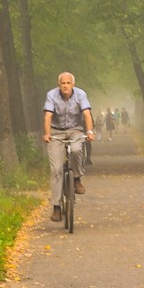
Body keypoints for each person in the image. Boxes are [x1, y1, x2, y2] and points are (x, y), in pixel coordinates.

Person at [43, 72, 95, 222]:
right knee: (56, 170)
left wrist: (89, 131)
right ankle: (57, 208)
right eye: (63, 83)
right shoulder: (51, 95)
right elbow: (47, 116)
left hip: (75, 130)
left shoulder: (80, 95)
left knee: (78, 149)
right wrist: (47, 134)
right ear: (59, 84)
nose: (65, 86)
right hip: (56, 133)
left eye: (68, 83)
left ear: (73, 84)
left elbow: (86, 114)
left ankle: (77, 178)